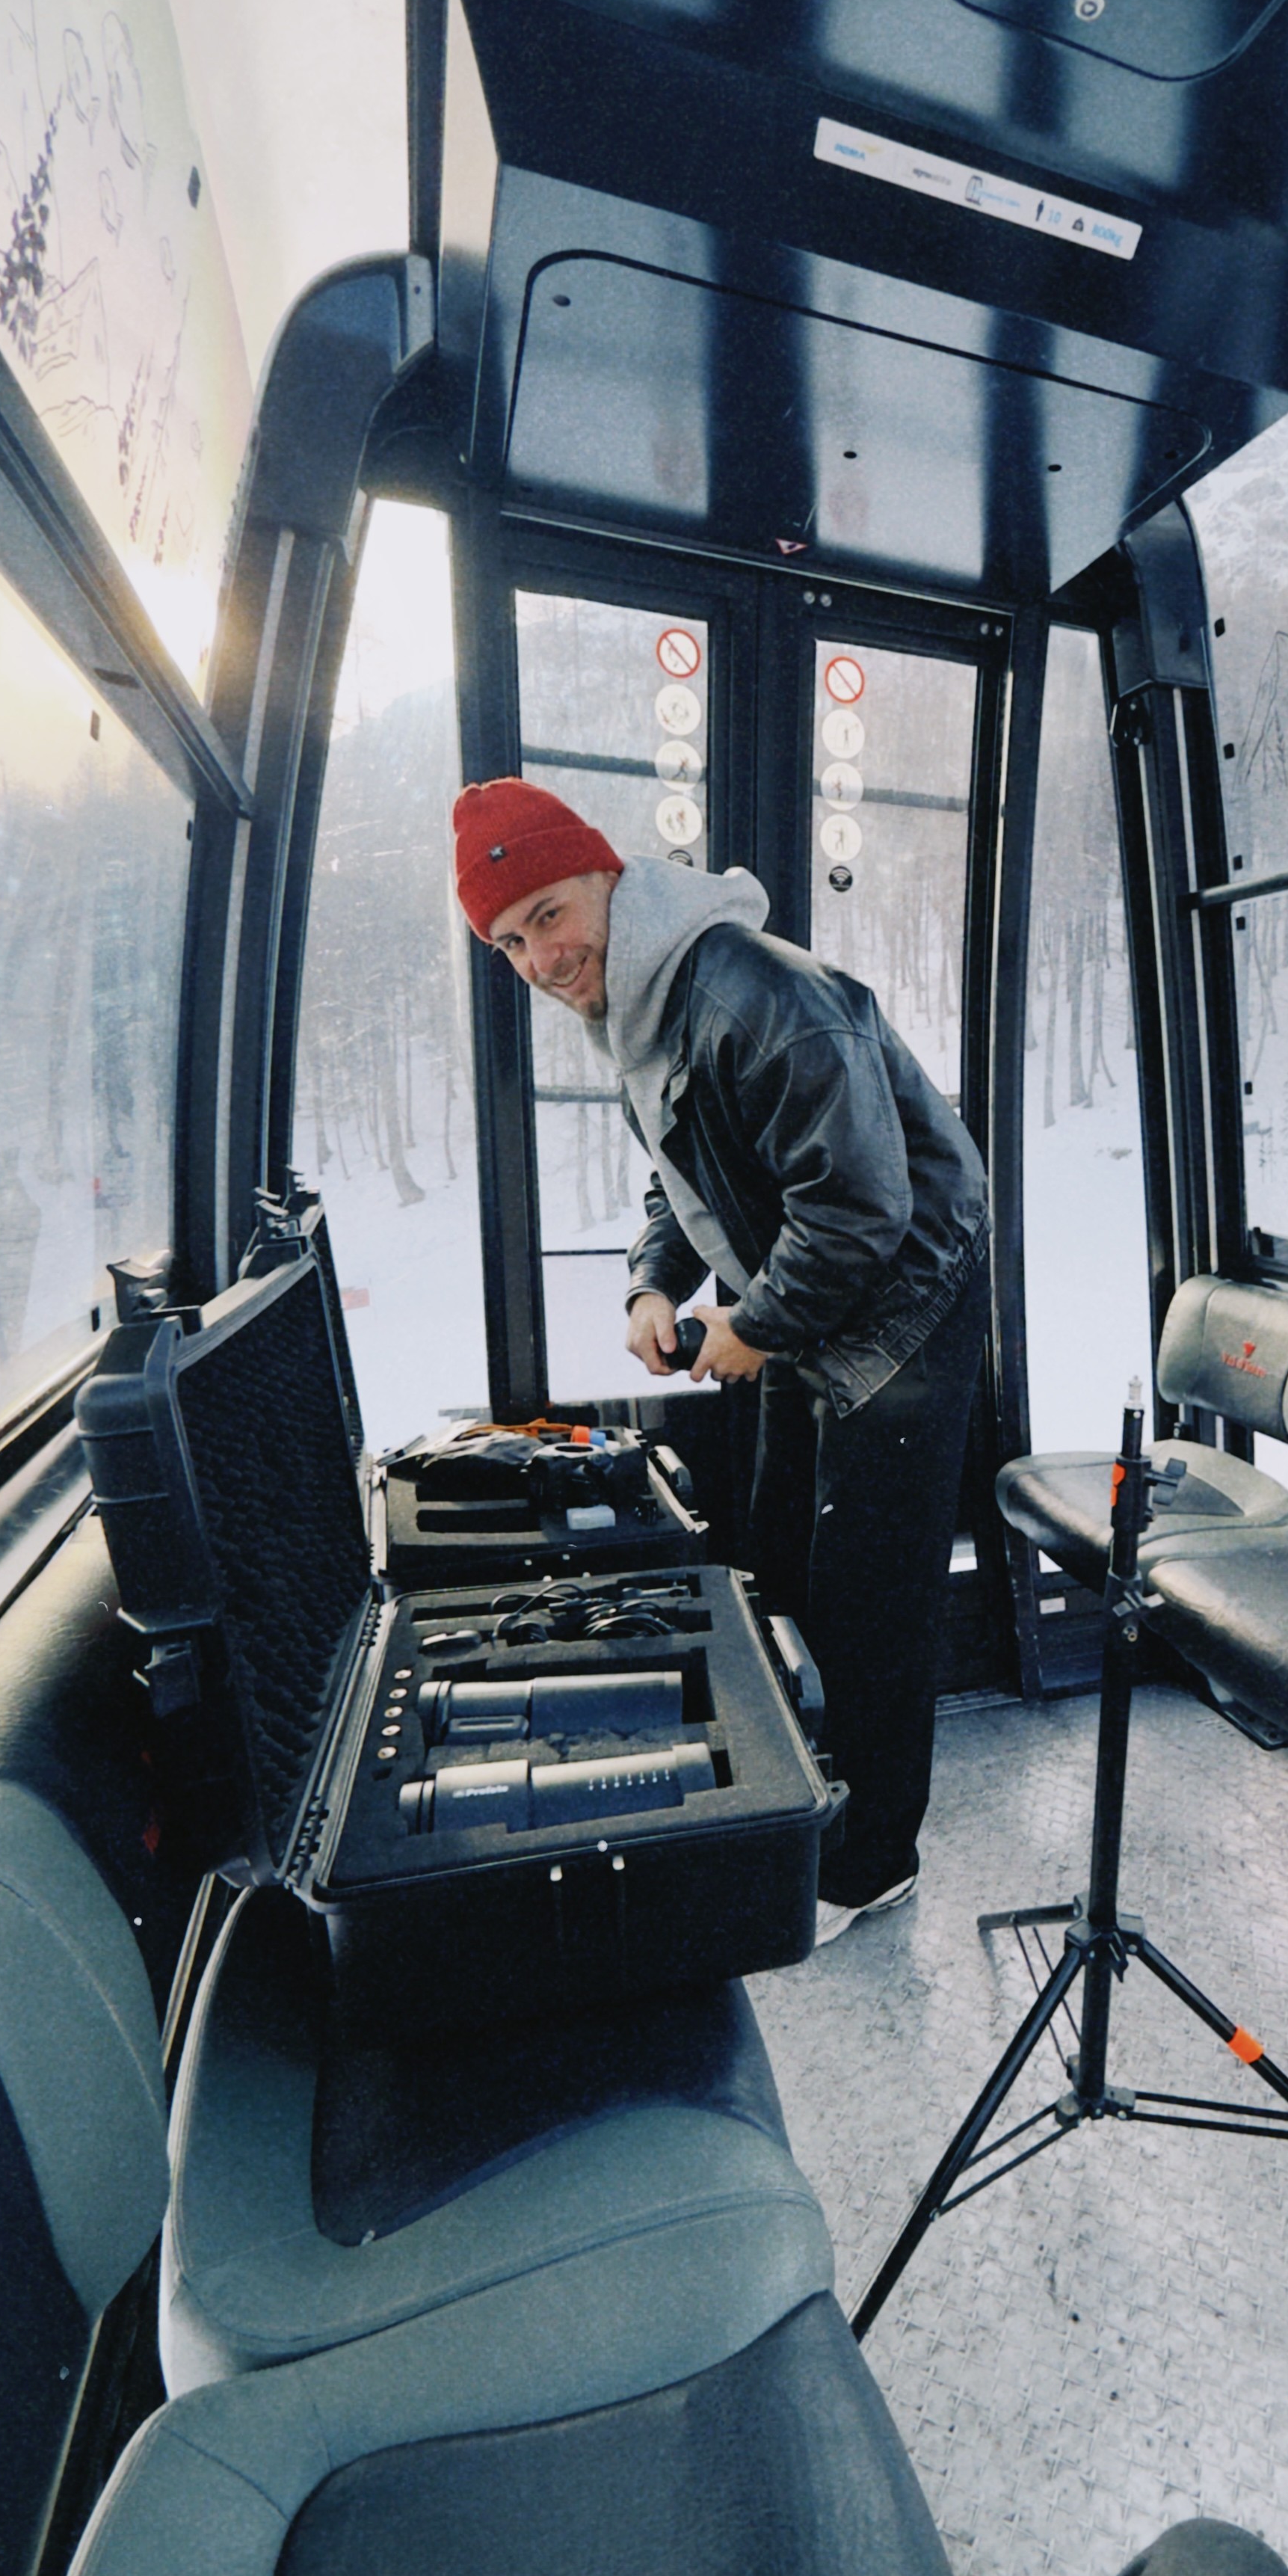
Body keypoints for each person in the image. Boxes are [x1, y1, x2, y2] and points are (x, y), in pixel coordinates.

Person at [452, 777, 990, 1942]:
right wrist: (655, 1281)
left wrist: (749, 1326)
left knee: (869, 1593)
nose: (538, 960)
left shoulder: (756, 995)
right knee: (780, 1548)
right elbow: (682, 1178)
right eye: (508, 943)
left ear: (606, 877)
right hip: (808, 1289)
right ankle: (798, 1792)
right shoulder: (639, 1003)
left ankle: (871, 1863)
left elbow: (862, 1208)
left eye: (548, 915)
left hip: (907, 1298)